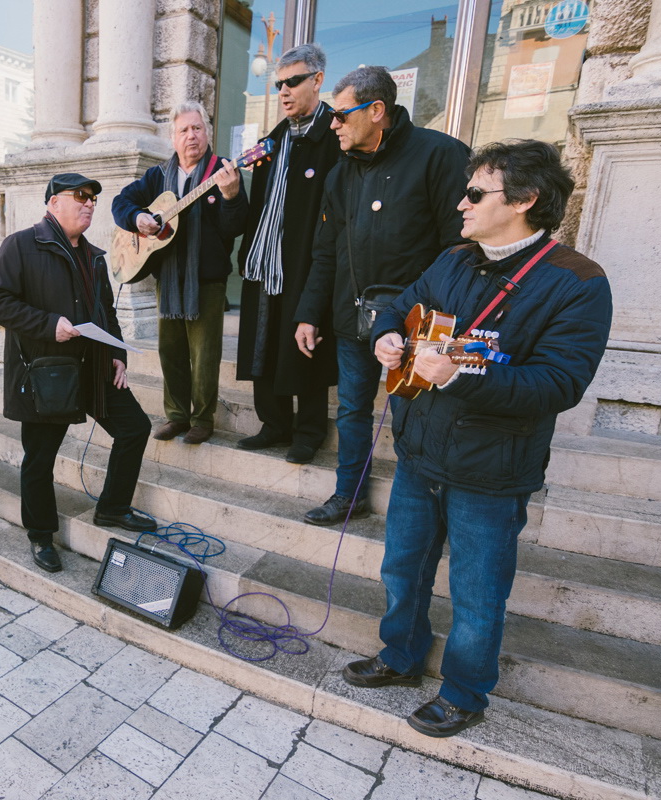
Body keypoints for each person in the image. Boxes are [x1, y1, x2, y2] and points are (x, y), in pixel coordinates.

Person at [344, 140, 613, 737]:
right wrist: (387, 335)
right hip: (421, 452)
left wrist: (466, 373)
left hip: (491, 470)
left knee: (477, 591)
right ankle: (400, 656)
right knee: (402, 569)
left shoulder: (579, 282)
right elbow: (403, 304)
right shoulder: (456, 258)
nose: (460, 204)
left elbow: (559, 383)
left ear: (524, 200)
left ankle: (464, 691)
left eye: (474, 192)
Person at [294, 65, 470, 525]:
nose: (332, 123)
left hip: (416, 327)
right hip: (354, 323)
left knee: (418, 418)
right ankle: (348, 497)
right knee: (352, 412)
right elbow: (325, 252)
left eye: (340, 114)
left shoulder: (440, 156)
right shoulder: (339, 175)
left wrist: (437, 319)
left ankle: (427, 511)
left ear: (376, 111)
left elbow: (462, 246)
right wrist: (309, 313)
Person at [0, 173, 156, 574]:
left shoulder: (95, 256)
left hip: (95, 366)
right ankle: (41, 535)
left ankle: (112, 508)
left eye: (93, 198)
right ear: (52, 203)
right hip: (49, 373)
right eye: (79, 196)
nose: (89, 204)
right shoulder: (22, 245)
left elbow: (106, 313)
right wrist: (49, 325)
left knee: (134, 428)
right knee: (40, 459)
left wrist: (118, 355)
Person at [112, 102, 247, 445]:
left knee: (204, 356)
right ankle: (176, 416)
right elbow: (122, 202)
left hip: (207, 280)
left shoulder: (223, 172)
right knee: (170, 351)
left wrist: (231, 196)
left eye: (197, 128)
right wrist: (137, 219)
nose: (192, 136)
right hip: (169, 280)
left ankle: (202, 418)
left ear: (207, 133)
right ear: (173, 138)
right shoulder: (157, 177)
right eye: (184, 130)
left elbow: (236, 227)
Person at [235, 43, 341, 464]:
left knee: (305, 341)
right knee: (264, 341)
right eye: (279, 83)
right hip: (264, 261)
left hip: (307, 261)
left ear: (317, 80)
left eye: (293, 81)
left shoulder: (334, 135)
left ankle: (309, 431)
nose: (284, 91)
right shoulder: (272, 140)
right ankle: (274, 423)